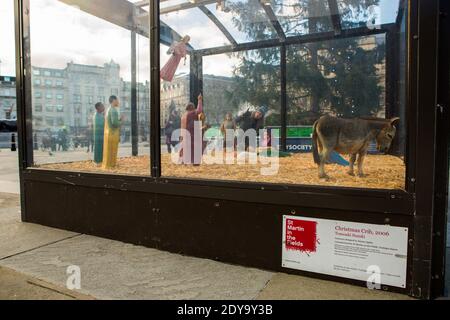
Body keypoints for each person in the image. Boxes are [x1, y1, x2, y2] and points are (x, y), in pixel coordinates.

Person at [179, 93, 203, 165]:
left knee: (184, 147)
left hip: (184, 135)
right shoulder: (192, 113)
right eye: (193, 107)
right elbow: (199, 110)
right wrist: (199, 100)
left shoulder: (183, 115)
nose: (194, 108)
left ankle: (183, 160)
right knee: (194, 148)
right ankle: (195, 162)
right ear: (192, 108)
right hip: (192, 135)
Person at [102, 96, 124, 169]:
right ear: (114, 100)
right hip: (113, 133)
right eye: (117, 100)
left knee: (108, 151)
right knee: (112, 151)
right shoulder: (114, 110)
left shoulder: (108, 109)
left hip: (108, 133)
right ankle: (111, 165)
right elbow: (115, 123)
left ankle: (107, 165)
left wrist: (119, 119)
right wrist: (121, 121)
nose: (118, 102)